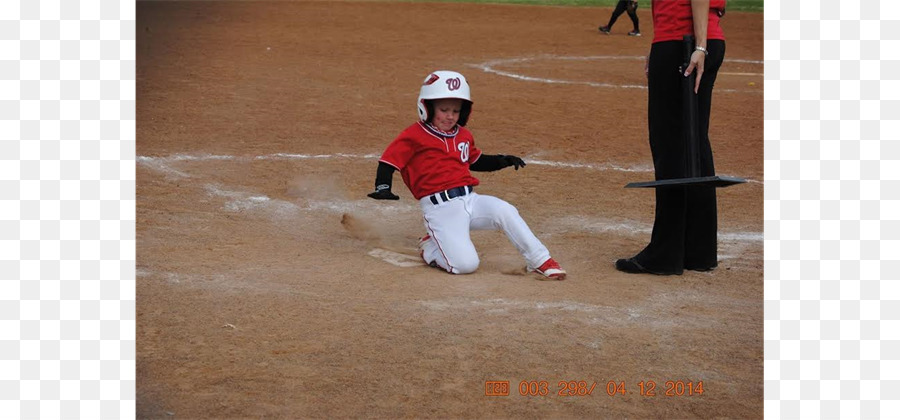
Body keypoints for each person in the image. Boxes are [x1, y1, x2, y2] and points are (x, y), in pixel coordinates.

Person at [367, 70, 566, 280]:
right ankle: (431, 248)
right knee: (465, 265)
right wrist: (383, 187)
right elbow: (388, 162)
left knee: (505, 211)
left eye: (456, 110)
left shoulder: (463, 134)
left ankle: (541, 260)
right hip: (441, 210)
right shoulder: (414, 135)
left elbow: (476, 161)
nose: (450, 115)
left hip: (470, 199)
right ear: (427, 107)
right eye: (443, 109)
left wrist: (502, 160)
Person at [615, 0, 727, 275]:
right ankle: (699, 251)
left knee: (670, 143)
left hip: (684, 42)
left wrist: (697, 47)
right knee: (694, 143)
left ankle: (665, 253)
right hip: (694, 38)